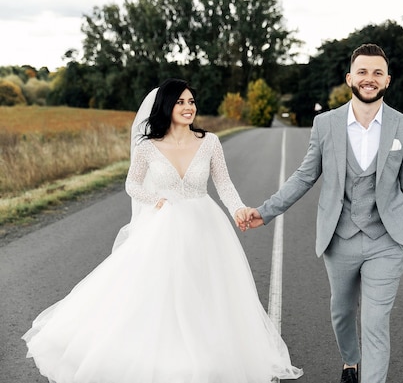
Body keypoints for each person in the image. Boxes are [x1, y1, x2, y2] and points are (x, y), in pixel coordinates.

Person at [22, 78, 303, 383]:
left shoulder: (209, 142)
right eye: (180, 102)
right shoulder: (147, 146)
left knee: (207, 291)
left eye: (191, 102)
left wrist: (238, 209)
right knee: (164, 291)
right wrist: (155, 200)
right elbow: (131, 184)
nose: (188, 107)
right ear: (166, 106)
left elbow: (223, 183)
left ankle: (209, 355)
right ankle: (166, 357)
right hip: (164, 227)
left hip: (205, 226)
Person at [246, 44, 403, 383]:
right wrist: (265, 212)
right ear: (349, 78)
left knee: (374, 322)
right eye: (363, 72)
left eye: (377, 73)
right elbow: (305, 175)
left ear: (387, 80)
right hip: (339, 239)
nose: (369, 79)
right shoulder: (326, 124)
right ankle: (350, 362)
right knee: (341, 314)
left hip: (388, 241)